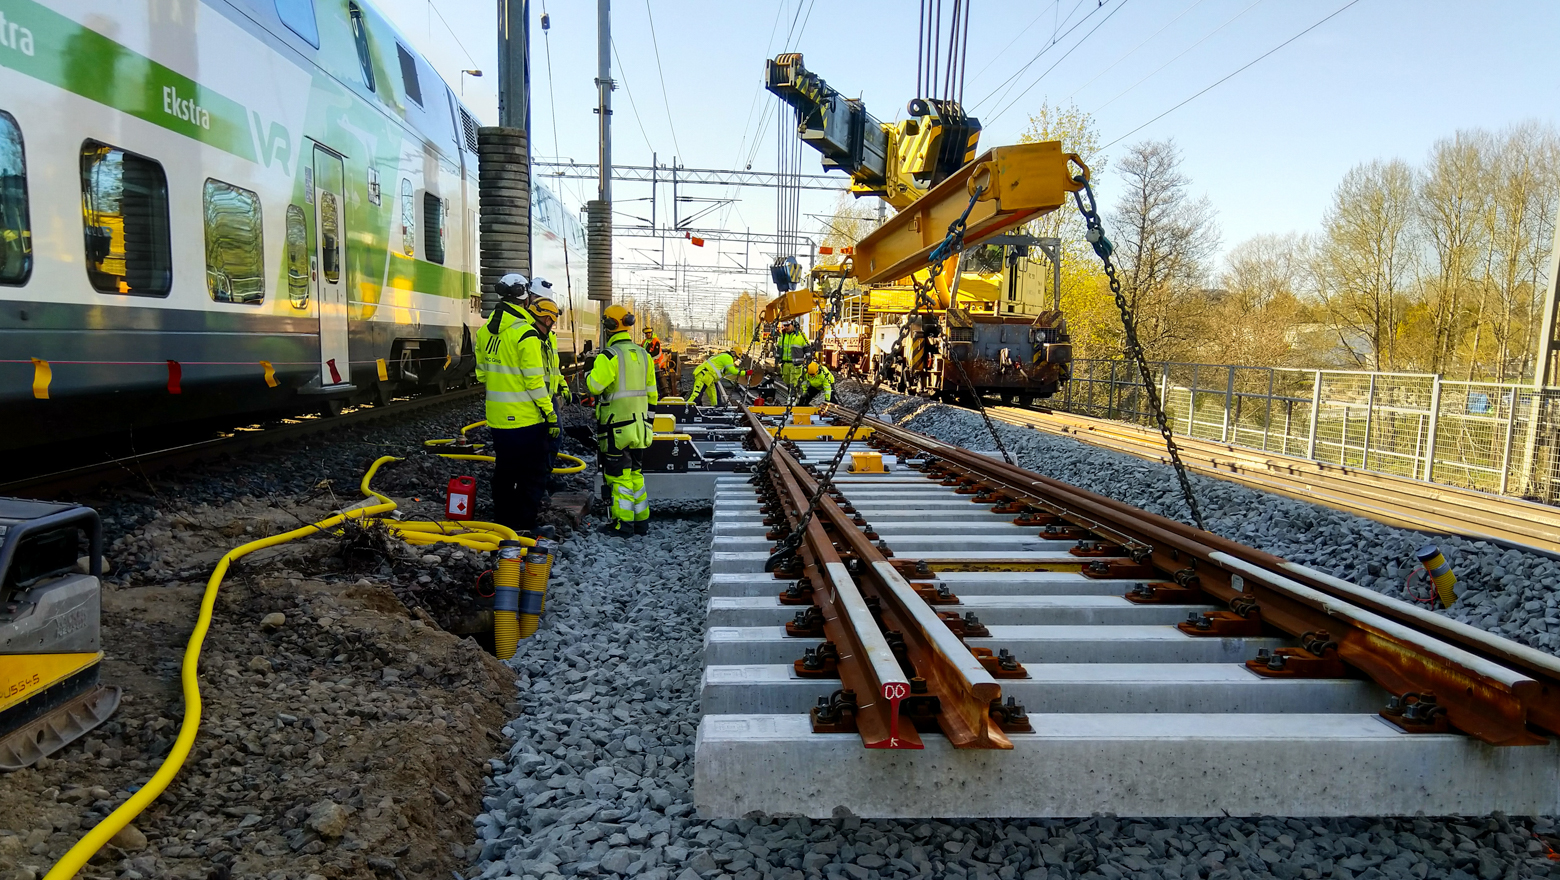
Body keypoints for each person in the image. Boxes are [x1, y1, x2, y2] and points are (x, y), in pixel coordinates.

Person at [475, 273, 559, 534]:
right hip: (526, 419)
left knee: (505, 471)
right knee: (532, 475)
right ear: (525, 299)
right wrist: (550, 414)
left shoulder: (484, 333)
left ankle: (503, 521)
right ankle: (526, 524)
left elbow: (481, 374)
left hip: (498, 418)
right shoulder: (525, 334)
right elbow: (535, 384)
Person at [586, 304, 657, 537]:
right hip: (640, 428)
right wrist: (648, 423)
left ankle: (623, 525)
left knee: (619, 477)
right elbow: (652, 394)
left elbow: (594, 386)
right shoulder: (644, 355)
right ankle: (641, 522)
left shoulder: (610, 356)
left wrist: (589, 369)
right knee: (636, 474)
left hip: (617, 428)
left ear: (608, 326)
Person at [777, 320, 808, 396]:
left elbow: (807, 347)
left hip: (796, 365)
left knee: (793, 385)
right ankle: (791, 399)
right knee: (787, 382)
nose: (786, 327)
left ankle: (792, 401)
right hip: (785, 364)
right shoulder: (783, 336)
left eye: (788, 325)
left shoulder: (800, 336)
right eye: (785, 326)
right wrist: (777, 360)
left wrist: (809, 357)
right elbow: (779, 348)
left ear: (793, 324)